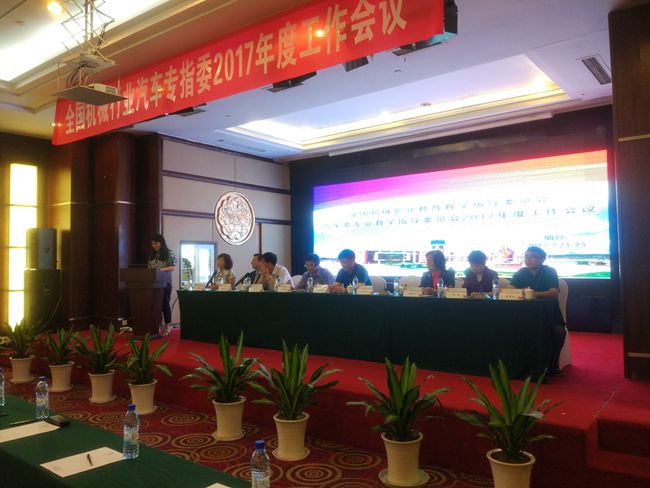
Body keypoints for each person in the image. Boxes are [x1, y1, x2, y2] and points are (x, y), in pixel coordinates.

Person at [510, 246, 566, 376]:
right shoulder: (521, 272)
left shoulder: (549, 272)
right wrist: (517, 291)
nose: (528, 260)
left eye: (533, 257)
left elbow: (554, 293)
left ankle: (553, 364)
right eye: (526, 257)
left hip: (549, 315)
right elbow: (510, 288)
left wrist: (533, 293)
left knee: (558, 332)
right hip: (524, 316)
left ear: (542, 259)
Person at [148, 234, 177, 336]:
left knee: (165, 304)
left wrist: (160, 270)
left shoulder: (169, 253)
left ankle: (167, 326)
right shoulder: (153, 254)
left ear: (161, 243)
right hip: (153, 284)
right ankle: (155, 326)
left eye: (156, 243)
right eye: (152, 244)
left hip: (165, 283)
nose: (154, 246)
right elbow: (149, 267)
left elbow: (173, 267)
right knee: (155, 305)